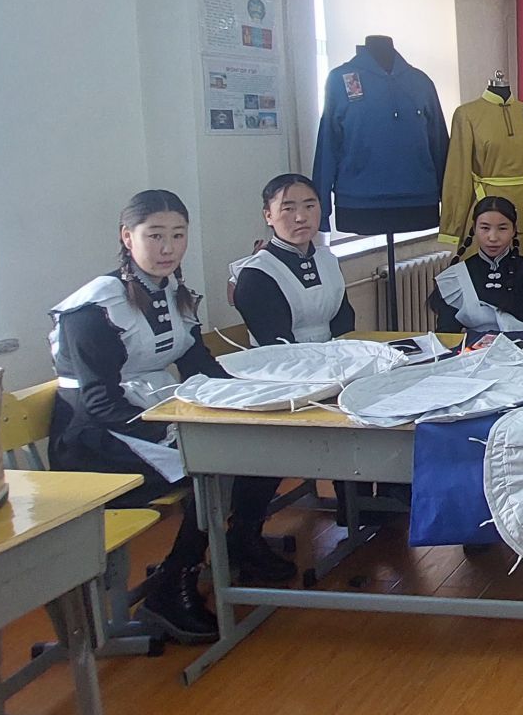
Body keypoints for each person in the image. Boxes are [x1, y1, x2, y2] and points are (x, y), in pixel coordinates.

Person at [50, 190, 284, 643]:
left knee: (262, 439)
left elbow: (200, 365)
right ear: (127, 237)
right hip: (94, 440)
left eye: (178, 235)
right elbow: (99, 403)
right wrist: (173, 430)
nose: (167, 248)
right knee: (209, 466)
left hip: (148, 415)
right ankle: (172, 586)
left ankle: (242, 541)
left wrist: (258, 401)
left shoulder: (173, 292)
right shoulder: (96, 307)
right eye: (155, 236)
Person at [233, 174, 354, 344]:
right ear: (268, 216)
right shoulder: (257, 273)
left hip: (338, 355)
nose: (301, 217)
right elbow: (276, 342)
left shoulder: (328, 260)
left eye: (310, 206)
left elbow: (344, 326)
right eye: (288, 209)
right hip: (281, 358)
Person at [429, 196, 523, 339]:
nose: (493, 237)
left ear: (513, 230)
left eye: (502, 228)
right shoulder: (458, 276)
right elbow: (446, 335)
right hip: (474, 350)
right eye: (485, 228)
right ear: (474, 228)